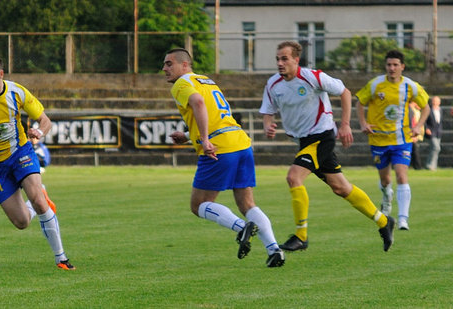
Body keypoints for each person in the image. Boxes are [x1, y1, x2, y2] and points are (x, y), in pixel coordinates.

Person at [261, 41, 395, 252]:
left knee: (293, 177)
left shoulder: (313, 77)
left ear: (296, 60)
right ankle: (384, 222)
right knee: (341, 187)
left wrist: (345, 125)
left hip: (321, 137)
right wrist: (268, 125)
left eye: (284, 58)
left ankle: (301, 236)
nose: (280, 63)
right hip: (303, 142)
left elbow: (345, 92)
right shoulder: (273, 84)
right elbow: (268, 111)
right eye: (278, 59)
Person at [162, 48, 285, 267]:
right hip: (240, 142)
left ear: (185, 65)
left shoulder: (181, 84)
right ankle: (274, 249)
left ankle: (241, 227)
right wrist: (190, 136)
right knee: (247, 203)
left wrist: (205, 139)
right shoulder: (206, 80)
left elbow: (198, 103)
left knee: (199, 204)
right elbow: (215, 113)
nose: (164, 69)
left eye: (169, 63)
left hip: (219, 148)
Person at [0, 54, 75, 270]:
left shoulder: (17, 92)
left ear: (1, 74)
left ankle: (61, 258)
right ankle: (41, 194)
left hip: (20, 152)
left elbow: (45, 121)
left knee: (39, 201)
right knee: (22, 222)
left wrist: (39, 131)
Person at [355, 50, 430, 231]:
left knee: (402, 175)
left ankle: (403, 219)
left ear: (402, 67)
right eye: (389, 65)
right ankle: (386, 196)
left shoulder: (410, 86)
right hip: (378, 139)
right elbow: (359, 102)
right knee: (385, 180)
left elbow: (425, 107)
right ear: (386, 66)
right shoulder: (375, 85)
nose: (392, 68)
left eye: (396, 65)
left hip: (402, 139)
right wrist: (363, 123)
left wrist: (418, 125)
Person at [424, 96, 443, 171]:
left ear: (439, 102)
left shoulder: (440, 110)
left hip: (438, 132)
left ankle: (433, 165)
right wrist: (426, 128)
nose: (435, 102)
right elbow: (424, 119)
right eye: (434, 101)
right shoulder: (428, 109)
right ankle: (429, 165)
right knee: (436, 147)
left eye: (437, 101)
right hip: (431, 132)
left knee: (434, 149)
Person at [408, 103, 424, 170]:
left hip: (411, 133)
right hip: (409, 133)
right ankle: (418, 166)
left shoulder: (411, 109)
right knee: (414, 151)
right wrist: (413, 134)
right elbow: (411, 123)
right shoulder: (409, 110)